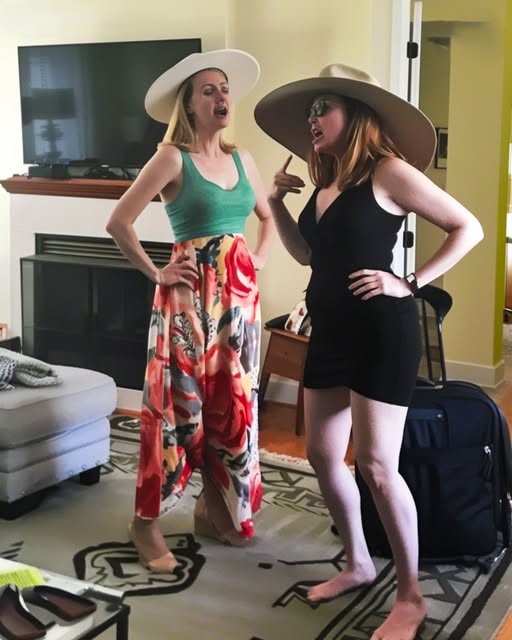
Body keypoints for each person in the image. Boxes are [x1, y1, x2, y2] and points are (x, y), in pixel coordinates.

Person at [254, 64, 483, 640]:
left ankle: (411, 598)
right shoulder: (328, 181)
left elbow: (467, 227)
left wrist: (410, 282)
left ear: (355, 115)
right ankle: (358, 562)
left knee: (377, 466)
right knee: (322, 454)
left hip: (382, 333)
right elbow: (309, 256)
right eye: (310, 111)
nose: (312, 119)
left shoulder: (388, 172)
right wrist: (276, 203)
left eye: (322, 108)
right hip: (330, 331)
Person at [106, 49, 274, 573]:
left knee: (233, 404)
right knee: (177, 408)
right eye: (209, 90)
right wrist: (156, 271)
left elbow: (267, 217)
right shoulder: (172, 158)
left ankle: (215, 502)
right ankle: (145, 523)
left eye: (225, 89)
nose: (222, 97)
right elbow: (119, 222)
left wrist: (257, 260)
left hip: (238, 307)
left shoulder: (244, 159)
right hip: (186, 303)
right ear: (190, 104)